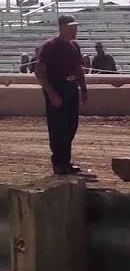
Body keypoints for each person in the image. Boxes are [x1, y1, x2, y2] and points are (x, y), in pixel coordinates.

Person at [34, 16, 89, 176]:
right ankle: (59, 162)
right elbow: (39, 72)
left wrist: (83, 88)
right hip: (57, 86)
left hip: (71, 87)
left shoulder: (74, 46)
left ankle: (66, 161)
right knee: (58, 126)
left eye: (75, 27)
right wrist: (51, 93)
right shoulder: (50, 46)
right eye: (72, 27)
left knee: (71, 125)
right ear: (62, 27)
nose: (75, 30)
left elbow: (78, 68)